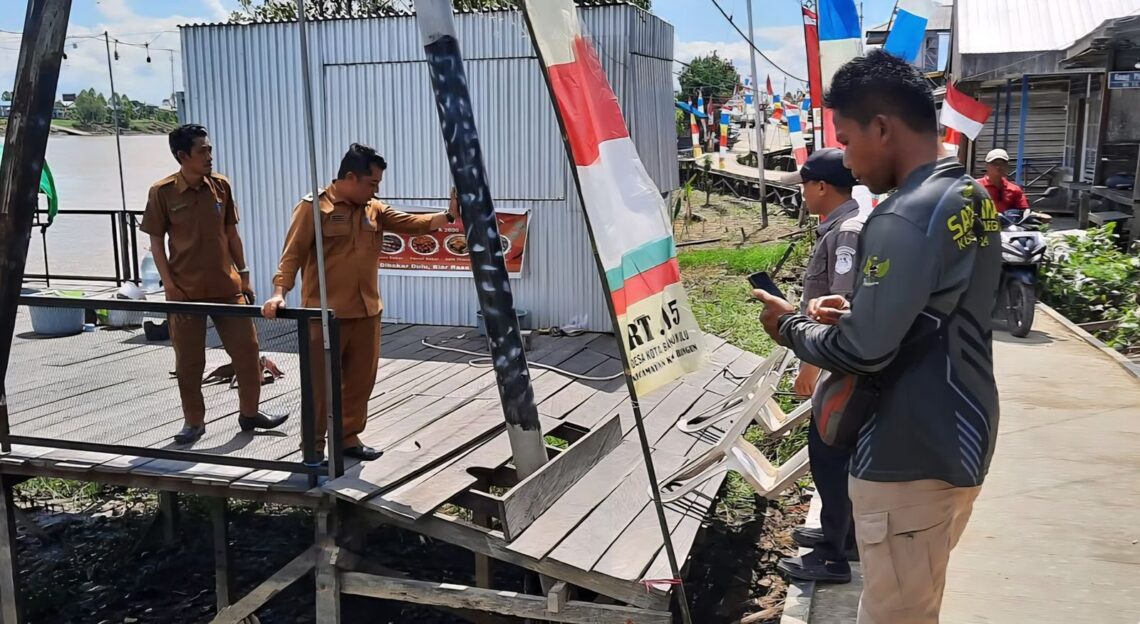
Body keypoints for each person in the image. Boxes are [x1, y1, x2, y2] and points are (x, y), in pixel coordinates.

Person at [753, 50, 1001, 624]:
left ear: (882, 128)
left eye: (846, 139)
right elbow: (936, 310)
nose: (845, 158)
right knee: (916, 600)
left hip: (907, 454)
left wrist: (789, 326)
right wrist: (860, 310)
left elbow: (864, 352)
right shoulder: (970, 196)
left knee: (894, 615)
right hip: (961, 434)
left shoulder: (900, 216)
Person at [262, 144, 459, 462]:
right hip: (325, 315)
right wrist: (279, 292)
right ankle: (313, 448)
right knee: (319, 386)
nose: (375, 191)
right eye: (372, 183)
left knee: (359, 383)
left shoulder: (374, 209)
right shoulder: (314, 207)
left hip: (367, 313)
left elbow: (413, 223)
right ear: (351, 177)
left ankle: (347, 439)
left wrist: (449, 215)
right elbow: (292, 254)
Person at [141, 124, 288, 445]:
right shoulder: (162, 192)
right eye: (202, 151)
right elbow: (156, 243)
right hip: (185, 291)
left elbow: (231, 233)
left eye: (210, 150)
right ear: (183, 156)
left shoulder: (220, 186)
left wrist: (244, 274)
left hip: (227, 287)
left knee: (247, 353)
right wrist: (170, 287)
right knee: (189, 362)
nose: (209, 156)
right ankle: (193, 422)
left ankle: (250, 414)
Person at [775, 148, 865, 585]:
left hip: (838, 364)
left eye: (805, 186)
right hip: (836, 361)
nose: (802, 194)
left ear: (823, 186)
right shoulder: (838, 225)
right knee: (831, 453)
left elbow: (839, 309)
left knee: (829, 454)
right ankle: (840, 535)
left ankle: (833, 556)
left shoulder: (846, 232)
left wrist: (810, 366)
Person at [978, 148, 1029, 213]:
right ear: (986, 166)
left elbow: (1024, 211)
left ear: (1007, 166)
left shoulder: (1014, 190)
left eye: (1002, 163)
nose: (998, 167)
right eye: (994, 163)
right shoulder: (976, 186)